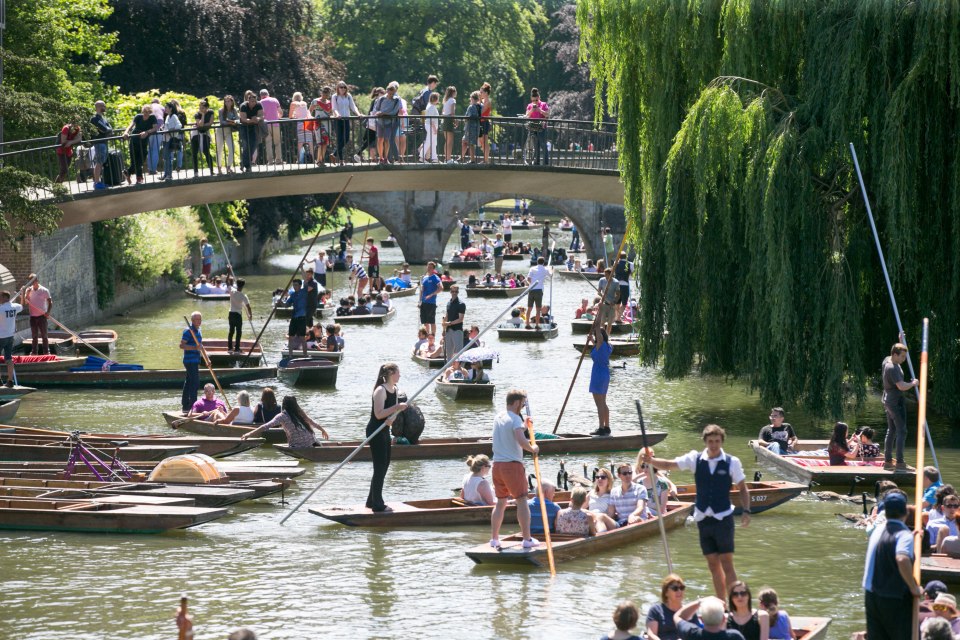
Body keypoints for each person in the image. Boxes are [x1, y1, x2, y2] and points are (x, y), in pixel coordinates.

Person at [643, 424, 751, 599]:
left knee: (727, 563)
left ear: (722, 441)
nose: (714, 445)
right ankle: (722, 604)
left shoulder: (733, 462)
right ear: (705, 442)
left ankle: (734, 606)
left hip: (723, 517)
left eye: (717, 441)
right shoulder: (695, 459)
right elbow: (670, 464)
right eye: (710, 441)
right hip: (703, 518)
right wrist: (652, 461)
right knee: (713, 565)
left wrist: (746, 511)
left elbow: (743, 489)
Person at [863, 489, 923, 640]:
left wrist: (912, 537)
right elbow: (902, 559)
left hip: (871, 596)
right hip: (894, 599)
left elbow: (889, 542)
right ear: (906, 513)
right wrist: (914, 588)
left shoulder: (878, 530)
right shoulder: (904, 535)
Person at [489, 389, 540, 548]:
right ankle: (527, 539)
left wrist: (524, 426)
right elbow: (520, 440)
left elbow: (512, 432)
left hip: (497, 466)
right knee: (522, 501)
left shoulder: (499, 416)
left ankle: (494, 539)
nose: (523, 407)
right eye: (523, 404)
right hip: (512, 466)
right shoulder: (515, 419)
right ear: (517, 402)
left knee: (501, 503)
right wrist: (533, 448)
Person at [365, 363, 408, 512]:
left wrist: (392, 418)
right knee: (379, 467)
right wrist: (397, 408)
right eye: (398, 373)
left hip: (384, 430)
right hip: (375, 430)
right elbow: (378, 414)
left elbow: (390, 414)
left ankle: (371, 501)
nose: (399, 375)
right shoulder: (380, 390)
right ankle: (377, 504)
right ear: (390, 373)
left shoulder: (395, 389)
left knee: (385, 465)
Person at [241, 395, 329, 448]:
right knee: (314, 439)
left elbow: (266, 426)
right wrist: (322, 430)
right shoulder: (299, 411)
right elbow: (311, 421)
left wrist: (249, 434)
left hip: (296, 446)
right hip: (311, 441)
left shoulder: (282, 416)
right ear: (295, 405)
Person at [882, 342, 918, 469]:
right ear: (895, 355)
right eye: (902, 356)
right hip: (895, 403)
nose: (904, 359)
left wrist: (900, 340)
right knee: (902, 430)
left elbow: (891, 352)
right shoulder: (892, 367)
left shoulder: (887, 361)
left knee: (891, 430)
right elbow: (901, 386)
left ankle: (887, 461)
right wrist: (913, 383)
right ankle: (900, 462)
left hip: (888, 401)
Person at [674, 597, 745, 640]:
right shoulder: (734, 636)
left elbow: (677, 616)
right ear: (724, 619)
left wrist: (700, 602)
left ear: (701, 619)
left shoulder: (692, 634)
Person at [646, 574, 689, 640]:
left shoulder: (689, 611)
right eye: (675, 588)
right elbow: (651, 635)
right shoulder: (656, 610)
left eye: (682, 588)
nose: (679, 591)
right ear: (666, 592)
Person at [123, 105, 158, 184]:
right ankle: (139, 178)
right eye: (144, 112)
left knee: (141, 159)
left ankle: (127, 172)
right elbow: (131, 125)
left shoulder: (152, 118)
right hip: (134, 140)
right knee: (134, 160)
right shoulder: (138, 117)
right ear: (142, 111)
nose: (145, 114)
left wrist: (147, 132)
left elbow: (155, 128)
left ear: (150, 112)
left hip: (143, 142)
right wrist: (126, 132)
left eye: (148, 112)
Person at [590, 326, 614, 436]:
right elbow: (598, 350)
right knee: (603, 402)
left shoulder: (601, 344)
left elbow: (598, 342)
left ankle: (601, 428)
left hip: (598, 374)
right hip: (605, 374)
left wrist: (597, 324)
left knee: (599, 404)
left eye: (597, 335)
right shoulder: (607, 346)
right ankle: (607, 426)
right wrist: (591, 340)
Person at [609, 461, 649, 526]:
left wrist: (632, 515)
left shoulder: (640, 488)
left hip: (637, 520)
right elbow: (611, 513)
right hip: (621, 523)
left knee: (634, 519)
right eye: (624, 473)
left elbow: (640, 507)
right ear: (619, 475)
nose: (628, 475)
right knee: (601, 517)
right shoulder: (614, 491)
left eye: (630, 473)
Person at [332, 81, 362, 164]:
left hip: (346, 119)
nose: (343, 89)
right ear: (337, 88)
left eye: (344, 87)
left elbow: (353, 106)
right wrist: (338, 115)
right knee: (339, 139)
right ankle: (341, 160)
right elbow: (334, 108)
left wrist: (358, 114)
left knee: (346, 138)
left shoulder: (348, 96)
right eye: (341, 87)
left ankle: (334, 154)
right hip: (338, 120)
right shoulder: (335, 96)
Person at [23, 275, 53, 356]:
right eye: (30, 282)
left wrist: (48, 312)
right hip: (33, 316)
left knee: (44, 336)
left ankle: (46, 352)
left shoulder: (44, 290)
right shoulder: (28, 290)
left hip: (42, 316)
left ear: (37, 280)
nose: (32, 283)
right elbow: (26, 302)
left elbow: (50, 302)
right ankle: (34, 352)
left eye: (33, 281)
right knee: (34, 336)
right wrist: (27, 293)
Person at [0, 290, 23, 387]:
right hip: (10, 336)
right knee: (9, 359)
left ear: (5, 297)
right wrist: (22, 297)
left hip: (1, 337)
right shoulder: (15, 306)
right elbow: (22, 306)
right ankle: (10, 381)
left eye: (0, 296)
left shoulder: (1, 309)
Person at [280, 279, 308, 355]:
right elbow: (286, 305)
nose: (294, 286)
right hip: (294, 318)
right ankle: (290, 356)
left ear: (300, 285)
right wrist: (280, 302)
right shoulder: (292, 295)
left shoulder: (304, 291)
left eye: (296, 285)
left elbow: (305, 280)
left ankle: (305, 356)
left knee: (302, 338)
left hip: (302, 318)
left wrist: (301, 268)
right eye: (293, 285)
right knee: (290, 337)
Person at [588, 468, 620, 532]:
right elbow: (579, 506)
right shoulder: (591, 493)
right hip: (592, 522)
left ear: (608, 480)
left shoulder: (612, 495)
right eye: (597, 477)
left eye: (603, 477)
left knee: (601, 516)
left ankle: (601, 537)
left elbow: (611, 515)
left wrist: (595, 518)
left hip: (606, 523)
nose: (599, 479)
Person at [238, 90, 262, 173]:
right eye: (252, 101)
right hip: (244, 127)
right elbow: (243, 119)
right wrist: (252, 120)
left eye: (255, 101)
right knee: (246, 146)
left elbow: (261, 115)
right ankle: (247, 166)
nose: (253, 103)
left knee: (254, 144)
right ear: (248, 101)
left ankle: (243, 163)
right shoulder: (243, 106)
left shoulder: (258, 105)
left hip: (254, 127)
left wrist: (257, 119)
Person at [89, 101, 112, 189]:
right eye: (103, 106)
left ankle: (98, 181)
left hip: (104, 142)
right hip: (99, 143)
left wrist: (107, 129)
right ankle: (96, 183)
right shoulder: (95, 119)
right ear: (98, 107)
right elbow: (105, 129)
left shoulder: (103, 118)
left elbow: (110, 129)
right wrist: (107, 130)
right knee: (99, 162)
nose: (105, 107)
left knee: (101, 162)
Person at [159, 101, 183, 181]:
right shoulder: (168, 117)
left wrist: (172, 130)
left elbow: (179, 125)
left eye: (166, 107)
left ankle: (169, 175)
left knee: (168, 157)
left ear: (170, 108)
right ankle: (166, 174)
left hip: (170, 139)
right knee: (166, 157)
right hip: (165, 139)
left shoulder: (174, 116)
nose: (165, 109)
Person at [525, 88, 549, 166]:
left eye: (536, 100)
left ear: (539, 98)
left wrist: (540, 110)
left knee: (543, 144)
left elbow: (547, 114)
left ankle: (545, 163)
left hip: (542, 127)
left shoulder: (544, 104)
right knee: (536, 145)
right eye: (533, 101)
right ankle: (536, 162)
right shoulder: (529, 106)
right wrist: (532, 110)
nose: (535, 102)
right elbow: (527, 115)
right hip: (533, 127)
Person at [191, 99, 215, 177]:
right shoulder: (197, 114)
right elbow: (200, 125)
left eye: (203, 108)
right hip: (196, 134)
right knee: (194, 152)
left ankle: (211, 170)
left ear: (207, 107)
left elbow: (210, 123)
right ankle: (196, 172)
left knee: (206, 151)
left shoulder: (211, 112)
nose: (201, 109)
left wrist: (202, 124)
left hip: (205, 133)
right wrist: (203, 116)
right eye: (200, 108)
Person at [258, 89, 283, 165]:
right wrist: (278, 117)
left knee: (268, 143)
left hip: (265, 124)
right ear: (268, 94)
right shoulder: (274, 100)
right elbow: (280, 112)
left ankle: (270, 161)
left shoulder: (260, 103)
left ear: (261, 96)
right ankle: (278, 160)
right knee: (277, 143)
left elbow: (259, 115)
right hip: (275, 123)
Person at [216, 94, 240, 174]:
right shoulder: (221, 110)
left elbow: (238, 120)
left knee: (231, 149)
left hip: (228, 131)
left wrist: (233, 122)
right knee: (219, 149)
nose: (227, 103)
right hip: (220, 131)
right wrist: (230, 122)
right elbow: (222, 121)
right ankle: (219, 167)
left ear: (232, 102)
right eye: (225, 101)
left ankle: (229, 167)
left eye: (228, 101)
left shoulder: (234, 110)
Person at [525, 256, 550, 329]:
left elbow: (528, 278)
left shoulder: (532, 268)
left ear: (537, 262)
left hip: (531, 289)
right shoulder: (545, 269)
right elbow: (551, 275)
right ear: (543, 262)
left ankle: (527, 324)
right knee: (538, 309)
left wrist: (531, 284)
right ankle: (536, 325)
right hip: (539, 290)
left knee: (529, 308)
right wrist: (551, 270)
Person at [228, 278, 252, 353]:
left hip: (231, 314)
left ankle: (230, 348)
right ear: (243, 286)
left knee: (231, 331)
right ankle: (237, 348)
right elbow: (248, 307)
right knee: (239, 332)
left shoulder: (232, 291)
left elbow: (227, 283)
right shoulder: (243, 296)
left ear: (237, 284)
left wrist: (228, 271)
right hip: (238, 315)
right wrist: (250, 315)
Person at [443, 285, 466, 362]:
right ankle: (448, 370)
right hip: (448, 330)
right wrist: (443, 328)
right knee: (449, 353)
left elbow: (460, 319)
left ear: (458, 292)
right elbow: (447, 315)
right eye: (453, 291)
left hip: (457, 330)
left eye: (456, 292)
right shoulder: (448, 303)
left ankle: (459, 369)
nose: (454, 293)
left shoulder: (461, 304)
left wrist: (449, 323)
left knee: (458, 353)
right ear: (450, 292)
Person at [597, 267, 621, 335]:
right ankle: (602, 336)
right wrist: (601, 294)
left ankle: (607, 336)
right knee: (602, 322)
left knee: (610, 323)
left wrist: (614, 302)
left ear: (611, 274)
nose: (605, 276)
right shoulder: (601, 280)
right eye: (605, 274)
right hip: (604, 303)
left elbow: (618, 295)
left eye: (607, 275)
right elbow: (598, 291)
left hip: (611, 305)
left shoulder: (616, 282)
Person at [462, 91, 481, 163]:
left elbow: (467, 117)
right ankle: (462, 157)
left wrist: (465, 119)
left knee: (471, 144)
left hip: (470, 127)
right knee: (466, 141)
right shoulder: (479, 106)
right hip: (476, 127)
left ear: (472, 98)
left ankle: (472, 160)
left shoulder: (471, 107)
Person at [422, 91, 441, 163]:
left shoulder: (430, 106)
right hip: (431, 127)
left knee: (433, 142)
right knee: (429, 142)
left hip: (430, 126)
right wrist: (434, 129)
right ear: (436, 99)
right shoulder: (432, 107)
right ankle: (421, 156)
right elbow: (431, 120)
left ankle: (434, 158)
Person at [478, 82, 493, 163]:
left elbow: (481, 112)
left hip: (485, 122)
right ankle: (485, 158)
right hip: (480, 122)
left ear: (486, 93)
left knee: (485, 141)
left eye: (482, 92)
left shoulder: (488, 102)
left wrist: (479, 101)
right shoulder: (482, 101)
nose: (480, 94)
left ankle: (486, 159)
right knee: (481, 141)